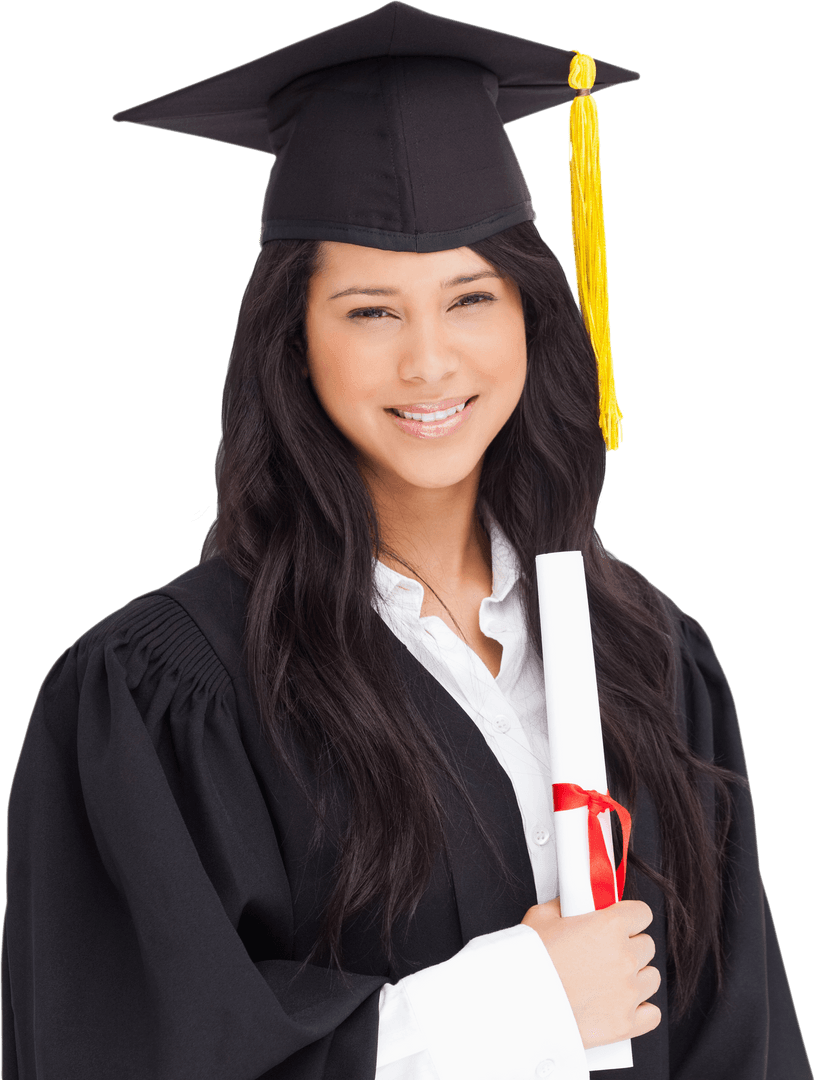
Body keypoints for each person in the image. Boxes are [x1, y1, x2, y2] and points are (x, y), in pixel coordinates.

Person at [2, 4, 811, 1079]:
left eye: (470, 297)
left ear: (532, 319)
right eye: (371, 312)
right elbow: (123, 1045)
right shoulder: (162, 695)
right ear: (292, 343)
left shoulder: (652, 655)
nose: (428, 364)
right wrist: (517, 1003)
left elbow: (742, 1035)